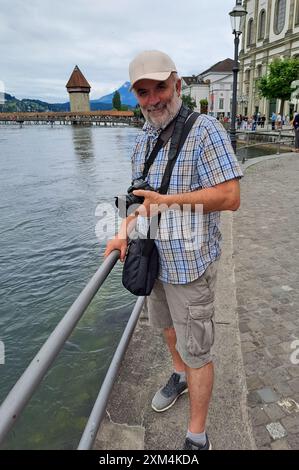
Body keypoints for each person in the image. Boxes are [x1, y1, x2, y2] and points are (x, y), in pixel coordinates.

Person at [104, 50, 243, 451]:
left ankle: (197, 435)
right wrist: (123, 232)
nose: (153, 99)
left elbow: (231, 196)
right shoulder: (144, 137)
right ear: (136, 97)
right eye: (143, 92)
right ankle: (178, 375)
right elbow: (139, 199)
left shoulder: (207, 130)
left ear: (178, 85)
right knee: (166, 329)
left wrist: (168, 202)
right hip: (154, 261)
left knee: (198, 349)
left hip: (190, 266)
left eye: (160, 87)